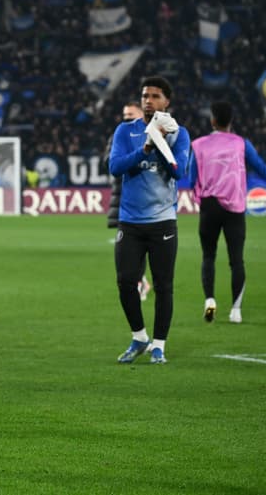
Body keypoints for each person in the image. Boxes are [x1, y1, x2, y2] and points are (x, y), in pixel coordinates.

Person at [189, 100, 266, 324]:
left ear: (212, 120)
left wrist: (200, 194)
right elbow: (265, 171)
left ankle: (209, 300)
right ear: (232, 121)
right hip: (234, 209)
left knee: (208, 256)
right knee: (236, 261)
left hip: (209, 207)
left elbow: (190, 179)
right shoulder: (241, 144)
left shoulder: (198, 145)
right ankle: (235, 310)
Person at [109, 76, 190, 365]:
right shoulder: (125, 130)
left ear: (167, 101)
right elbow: (115, 166)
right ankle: (139, 336)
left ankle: (159, 345)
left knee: (163, 285)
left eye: (155, 96)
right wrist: (143, 148)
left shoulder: (179, 134)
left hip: (162, 222)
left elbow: (180, 172)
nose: (148, 101)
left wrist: (159, 141)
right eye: (145, 96)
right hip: (130, 222)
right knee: (125, 281)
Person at [103, 102, 153, 301]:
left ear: (141, 114)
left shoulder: (151, 135)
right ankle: (139, 282)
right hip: (123, 197)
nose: (126, 118)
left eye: (130, 114)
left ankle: (141, 283)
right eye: (124, 115)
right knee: (129, 246)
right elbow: (108, 162)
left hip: (144, 197)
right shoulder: (119, 135)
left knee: (141, 243)